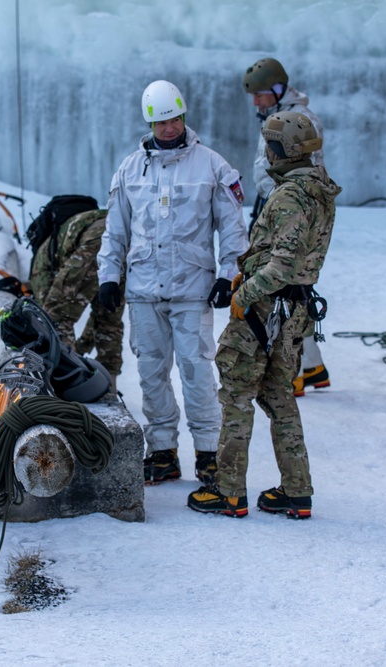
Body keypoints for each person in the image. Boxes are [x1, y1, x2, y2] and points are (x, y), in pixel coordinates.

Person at [187, 110, 341, 519]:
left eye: (269, 147)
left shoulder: (291, 195)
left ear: (280, 150)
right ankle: (296, 490)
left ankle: (229, 490)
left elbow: (283, 264)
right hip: (294, 312)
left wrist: (245, 294)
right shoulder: (319, 190)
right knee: (277, 395)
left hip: (265, 310)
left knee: (236, 393)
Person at [97, 80, 247, 485]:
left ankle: (209, 452)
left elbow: (232, 228)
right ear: (150, 122)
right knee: (150, 371)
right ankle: (162, 450)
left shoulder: (212, 166)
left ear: (184, 116)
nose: (169, 128)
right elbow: (115, 231)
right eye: (161, 122)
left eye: (175, 119)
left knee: (197, 369)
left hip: (191, 287)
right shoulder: (131, 169)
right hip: (144, 288)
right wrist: (109, 276)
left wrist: (228, 275)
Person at [242, 57, 331, 397]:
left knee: (287, 290)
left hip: (290, 213)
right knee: (292, 290)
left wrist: (283, 211)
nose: (256, 101)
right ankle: (314, 367)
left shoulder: (301, 121)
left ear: (278, 91)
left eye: (261, 94)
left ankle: (290, 371)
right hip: (276, 207)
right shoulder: (274, 115)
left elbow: (304, 174)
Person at [30, 207, 125, 386]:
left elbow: (53, 313)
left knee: (55, 316)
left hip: (96, 242)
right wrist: (81, 349)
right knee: (108, 317)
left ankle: (68, 383)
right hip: (122, 239)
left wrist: (77, 352)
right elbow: (100, 319)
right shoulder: (58, 242)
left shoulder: (40, 267)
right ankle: (108, 385)